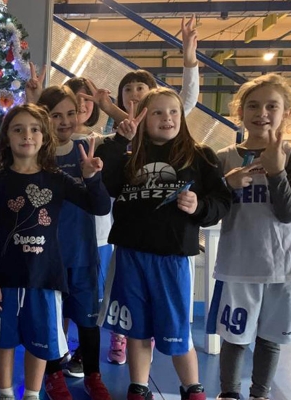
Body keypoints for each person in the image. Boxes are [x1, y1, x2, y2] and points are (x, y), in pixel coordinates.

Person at [96, 87, 231, 400]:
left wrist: (199, 206)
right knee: (136, 329)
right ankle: (138, 387)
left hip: (171, 259)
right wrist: (119, 139)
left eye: (173, 111)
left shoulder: (199, 156)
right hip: (131, 256)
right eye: (157, 112)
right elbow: (106, 181)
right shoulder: (131, 155)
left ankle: (192, 388)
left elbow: (222, 201)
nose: (167, 118)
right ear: (143, 118)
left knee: (177, 332)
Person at [0, 103, 110, 400]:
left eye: (35, 129)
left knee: (41, 342)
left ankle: (33, 394)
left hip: (45, 280)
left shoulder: (57, 180)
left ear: (44, 137)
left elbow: (100, 206)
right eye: (19, 129)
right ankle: (6, 393)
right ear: (7, 138)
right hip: (6, 280)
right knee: (4, 340)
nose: (27, 135)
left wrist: (92, 178)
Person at [208, 73, 291, 400]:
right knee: (235, 338)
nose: (261, 112)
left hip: (283, 265)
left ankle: (260, 394)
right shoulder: (224, 157)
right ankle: (229, 393)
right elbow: (213, 209)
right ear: (240, 111)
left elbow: (289, 212)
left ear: (286, 113)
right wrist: (227, 185)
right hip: (239, 263)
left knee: (270, 338)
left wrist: (277, 171)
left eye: (271, 105)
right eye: (253, 105)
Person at [36, 86, 110, 400]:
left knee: (88, 322)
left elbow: (102, 206)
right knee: (51, 321)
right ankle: (52, 376)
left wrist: (91, 177)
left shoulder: (86, 148)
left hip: (82, 253)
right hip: (45, 257)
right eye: (56, 115)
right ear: (44, 118)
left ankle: (93, 376)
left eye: (70, 113)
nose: (65, 121)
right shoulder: (36, 153)